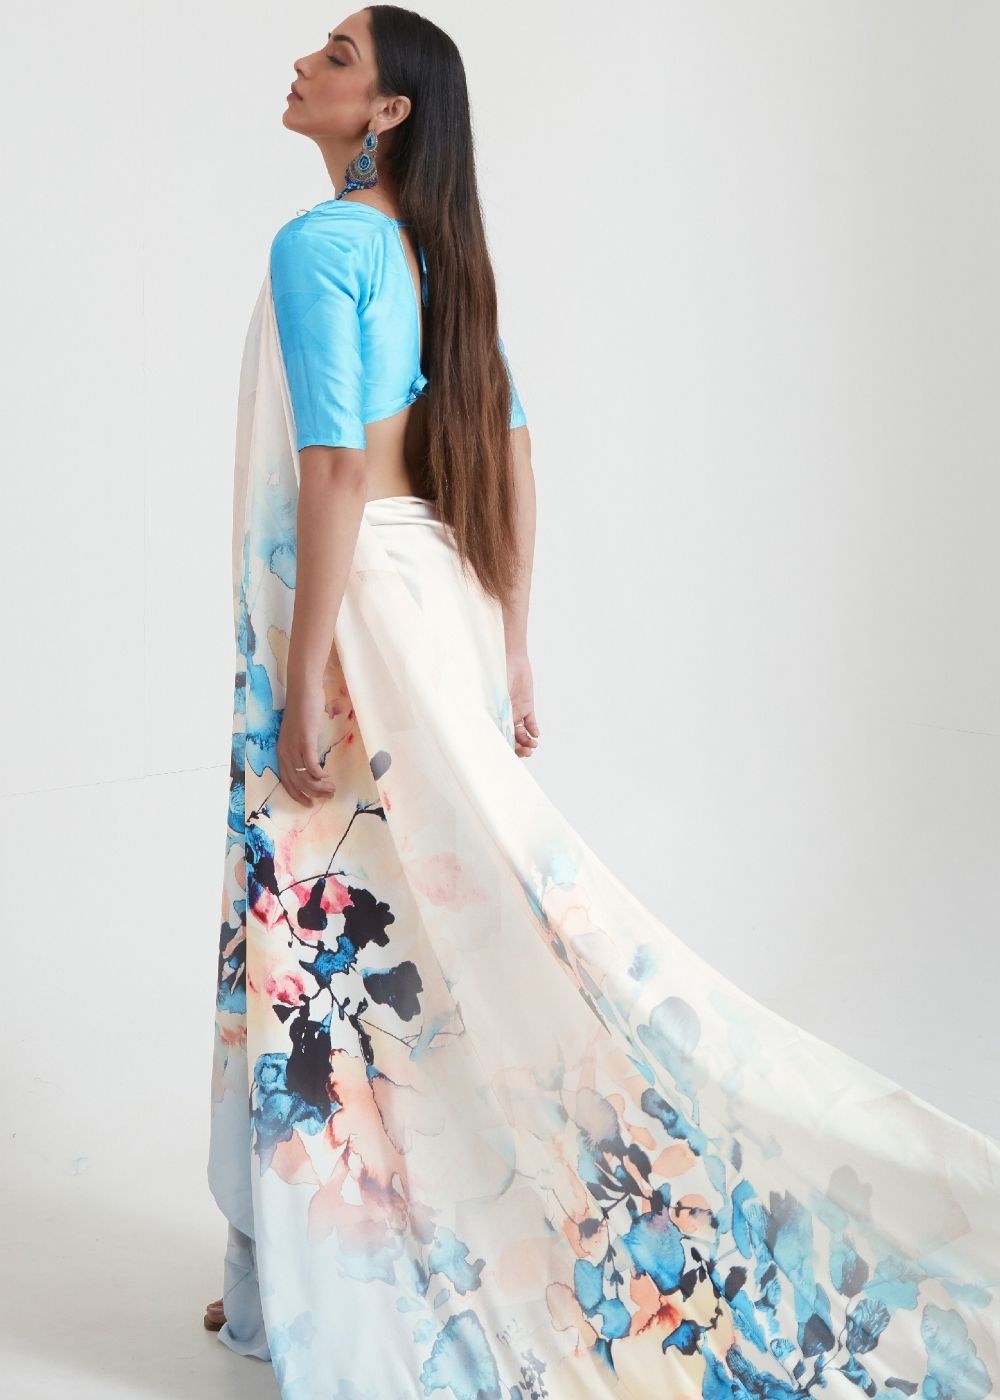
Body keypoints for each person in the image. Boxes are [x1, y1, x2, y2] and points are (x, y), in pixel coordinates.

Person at [206, 8, 1000, 1398]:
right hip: (440, 600)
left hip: (360, 619)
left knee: (319, 941)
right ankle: (300, 1271)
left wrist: (304, 673)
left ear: (388, 112)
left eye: (335, 57)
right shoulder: (442, 254)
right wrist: (513, 649)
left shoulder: (321, 243)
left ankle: (332, 1284)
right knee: (429, 948)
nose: (302, 66)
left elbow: (331, 469)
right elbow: (509, 450)